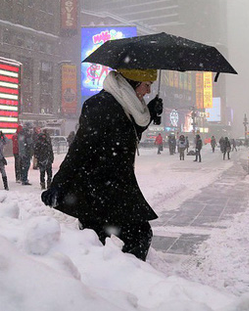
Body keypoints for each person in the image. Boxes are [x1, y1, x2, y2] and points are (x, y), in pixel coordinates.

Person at [41, 68, 163, 261]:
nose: (147, 91)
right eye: (146, 85)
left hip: (116, 187)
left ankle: (115, 279)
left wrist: (149, 113)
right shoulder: (101, 105)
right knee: (124, 237)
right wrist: (59, 184)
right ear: (132, 82)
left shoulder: (125, 105)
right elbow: (80, 148)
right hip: (98, 189)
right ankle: (113, 281)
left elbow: (123, 136)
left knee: (120, 239)